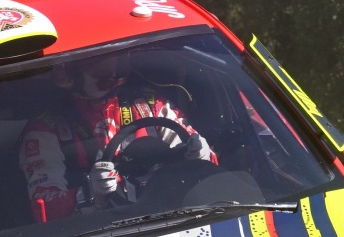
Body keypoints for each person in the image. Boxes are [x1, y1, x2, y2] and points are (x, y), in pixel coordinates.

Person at [17, 51, 211, 220]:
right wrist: (89, 192)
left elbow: (208, 172)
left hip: (171, 215)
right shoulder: (45, 129)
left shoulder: (152, 105)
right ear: (66, 73)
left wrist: (201, 155)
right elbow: (44, 209)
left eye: (116, 61)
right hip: (92, 233)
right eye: (96, 65)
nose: (111, 71)